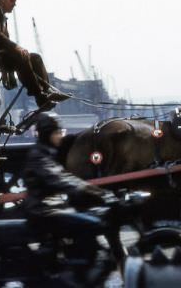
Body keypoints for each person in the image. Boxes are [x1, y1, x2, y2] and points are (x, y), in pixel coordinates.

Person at [22, 112, 114, 268]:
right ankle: (76, 271)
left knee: (91, 216)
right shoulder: (39, 156)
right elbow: (61, 180)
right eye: (57, 133)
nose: (60, 136)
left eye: (61, 132)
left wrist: (98, 192)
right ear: (46, 134)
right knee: (90, 223)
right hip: (43, 209)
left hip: (54, 207)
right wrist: (95, 191)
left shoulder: (47, 153)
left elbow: (67, 177)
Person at [0, 0, 69, 109]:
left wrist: (16, 48)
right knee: (20, 56)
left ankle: (48, 89)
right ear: (2, 0)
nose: (14, 4)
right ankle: (39, 96)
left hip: (2, 54)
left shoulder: (2, 17)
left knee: (35, 58)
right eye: (12, 1)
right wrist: (16, 47)